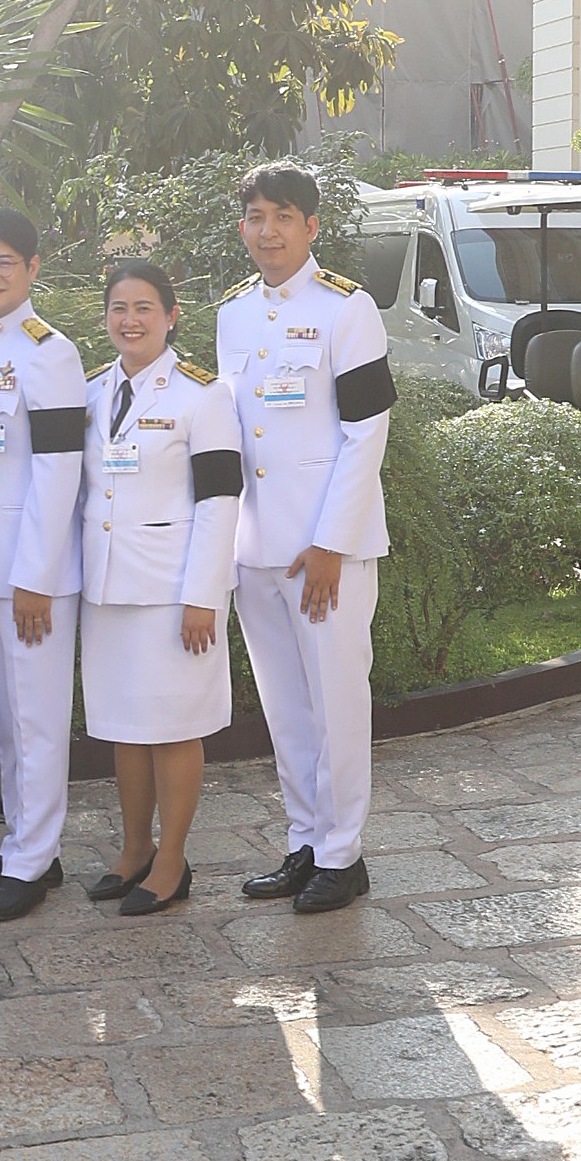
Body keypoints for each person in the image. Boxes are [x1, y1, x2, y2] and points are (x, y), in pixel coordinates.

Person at [219, 163, 396, 911]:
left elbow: (365, 434)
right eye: (256, 217)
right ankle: (303, 843)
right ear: (243, 227)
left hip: (326, 551)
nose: (268, 231)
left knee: (335, 705)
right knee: (285, 706)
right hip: (255, 546)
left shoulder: (344, 310)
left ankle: (341, 854)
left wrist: (330, 543)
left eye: (282, 216)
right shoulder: (231, 313)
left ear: (311, 226)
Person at [73, 260, 258, 915]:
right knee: (126, 727)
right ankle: (132, 850)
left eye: (144, 307)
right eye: (118, 307)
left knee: (174, 727)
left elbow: (218, 499)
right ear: (104, 317)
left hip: (173, 592)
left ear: (171, 315)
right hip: (106, 588)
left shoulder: (199, 395)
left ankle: (172, 859)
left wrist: (202, 594)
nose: (129, 320)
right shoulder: (93, 391)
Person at [0, 209, 90, 919]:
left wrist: (34, 575)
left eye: (3, 262)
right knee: (7, 721)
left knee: (36, 719)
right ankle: (24, 844)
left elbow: (57, 470)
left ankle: (31, 861)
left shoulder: (49, 353)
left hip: (27, 573)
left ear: (32, 268)